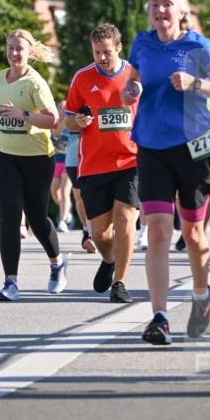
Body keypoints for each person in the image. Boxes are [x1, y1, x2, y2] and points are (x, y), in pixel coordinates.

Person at [121, 0, 210, 344]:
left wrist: (196, 84)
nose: (160, 10)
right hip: (151, 146)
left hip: (194, 147)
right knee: (156, 232)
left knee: (194, 235)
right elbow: (134, 81)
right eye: (154, 4)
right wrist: (130, 90)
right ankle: (160, 317)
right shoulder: (142, 43)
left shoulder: (198, 46)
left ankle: (202, 295)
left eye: (167, 4)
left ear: (181, 10)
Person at [0, 28, 68, 302]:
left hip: (37, 158)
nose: (14, 53)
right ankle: (11, 282)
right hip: (2, 153)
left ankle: (57, 262)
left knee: (37, 219)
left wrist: (24, 115)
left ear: (30, 52)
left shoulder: (35, 83)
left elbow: (52, 119)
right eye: (11, 48)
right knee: (9, 216)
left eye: (20, 48)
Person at [65, 23, 139, 303]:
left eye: (107, 52)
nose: (102, 58)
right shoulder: (82, 78)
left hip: (131, 160)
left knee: (125, 218)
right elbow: (68, 120)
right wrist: (78, 121)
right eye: (97, 53)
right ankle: (108, 260)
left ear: (119, 47)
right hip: (95, 164)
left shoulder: (135, 76)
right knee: (99, 233)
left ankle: (120, 282)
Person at [64, 129, 96, 253]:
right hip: (74, 157)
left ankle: (95, 235)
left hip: (96, 154)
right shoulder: (67, 109)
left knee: (95, 196)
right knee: (81, 199)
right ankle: (87, 231)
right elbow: (56, 131)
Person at [51, 105, 73, 232]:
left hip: (68, 160)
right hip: (56, 161)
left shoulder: (71, 123)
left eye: (66, 107)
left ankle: (63, 221)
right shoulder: (53, 123)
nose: (64, 109)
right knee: (55, 193)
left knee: (65, 191)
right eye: (61, 107)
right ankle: (66, 209)